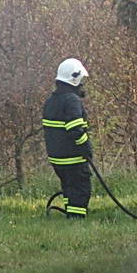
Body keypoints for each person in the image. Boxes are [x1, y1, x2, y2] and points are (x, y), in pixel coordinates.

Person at [42, 58, 93, 219]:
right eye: (81, 80)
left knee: (69, 186)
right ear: (74, 78)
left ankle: (70, 211)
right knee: (81, 188)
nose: (82, 84)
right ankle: (76, 218)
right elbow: (75, 130)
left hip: (57, 159)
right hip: (73, 158)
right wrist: (86, 147)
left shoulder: (51, 101)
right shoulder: (71, 100)